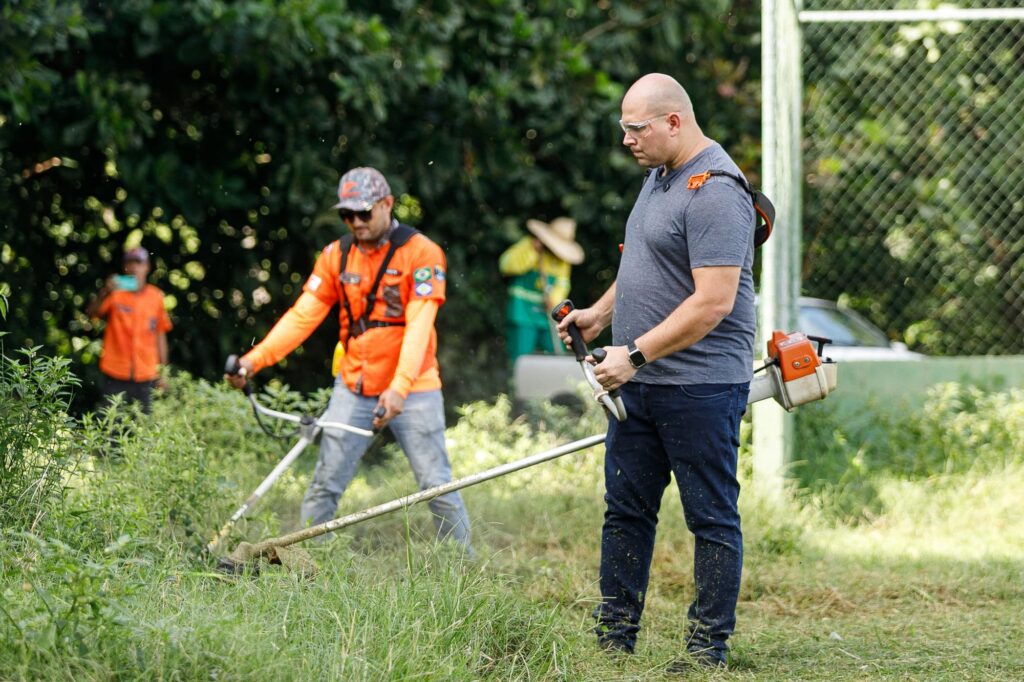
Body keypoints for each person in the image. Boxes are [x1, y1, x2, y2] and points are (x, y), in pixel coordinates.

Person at [557, 74, 756, 669]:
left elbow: (712, 302)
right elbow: (648, 263)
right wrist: (598, 315)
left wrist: (635, 353)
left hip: (699, 386)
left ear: (674, 122)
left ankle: (706, 651)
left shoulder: (717, 191)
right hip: (639, 383)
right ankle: (613, 639)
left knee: (711, 517)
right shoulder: (657, 178)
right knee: (626, 512)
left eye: (636, 127)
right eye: (624, 127)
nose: (627, 139)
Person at [225, 166, 472, 551]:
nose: (355, 222)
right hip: (354, 386)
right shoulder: (336, 256)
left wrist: (399, 388)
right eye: (347, 214)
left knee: (436, 484)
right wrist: (252, 362)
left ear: (387, 205)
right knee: (325, 483)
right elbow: (302, 316)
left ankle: (465, 568)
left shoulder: (422, 253)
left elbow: (420, 325)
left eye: (364, 212)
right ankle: (302, 566)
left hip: (414, 388)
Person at [86, 246, 172, 414]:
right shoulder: (116, 294)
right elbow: (92, 314)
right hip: (115, 373)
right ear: (125, 267)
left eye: (138, 263)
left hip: (146, 374)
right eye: (130, 263)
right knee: (110, 426)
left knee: (143, 427)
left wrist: (163, 372)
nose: (134, 268)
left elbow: (160, 335)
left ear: (147, 267)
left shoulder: (156, 297)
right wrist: (105, 291)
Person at [498, 217, 584, 366]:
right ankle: (517, 387)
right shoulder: (529, 245)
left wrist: (554, 299)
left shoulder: (563, 261)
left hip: (547, 315)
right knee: (520, 358)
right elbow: (506, 265)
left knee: (556, 354)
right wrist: (532, 252)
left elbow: (563, 283)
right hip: (522, 313)